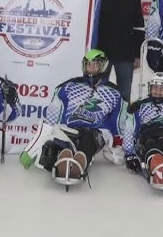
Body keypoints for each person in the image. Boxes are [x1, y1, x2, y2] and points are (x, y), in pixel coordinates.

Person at [22, 49, 126, 182]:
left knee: (87, 141)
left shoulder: (115, 92)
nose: (92, 67)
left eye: (96, 64)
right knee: (55, 147)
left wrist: (118, 144)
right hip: (70, 129)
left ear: (103, 66)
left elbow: (118, 121)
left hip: (97, 131)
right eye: (89, 64)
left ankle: (80, 163)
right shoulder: (68, 86)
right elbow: (53, 118)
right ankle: (63, 160)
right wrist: (30, 151)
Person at [123, 72, 163, 186]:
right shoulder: (139, 105)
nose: (158, 91)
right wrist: (129, 154)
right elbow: (129, 129)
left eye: (162, 88)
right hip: (146, 134)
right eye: (155, 87)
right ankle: (156, 165)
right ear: (149, 88)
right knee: (151, 145)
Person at [97, 0, 144, 103]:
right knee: (99, 91)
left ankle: (122, 124)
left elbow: (139, 27)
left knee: (124, 95)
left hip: (126, 54)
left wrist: (137, 54)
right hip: (102, 52)